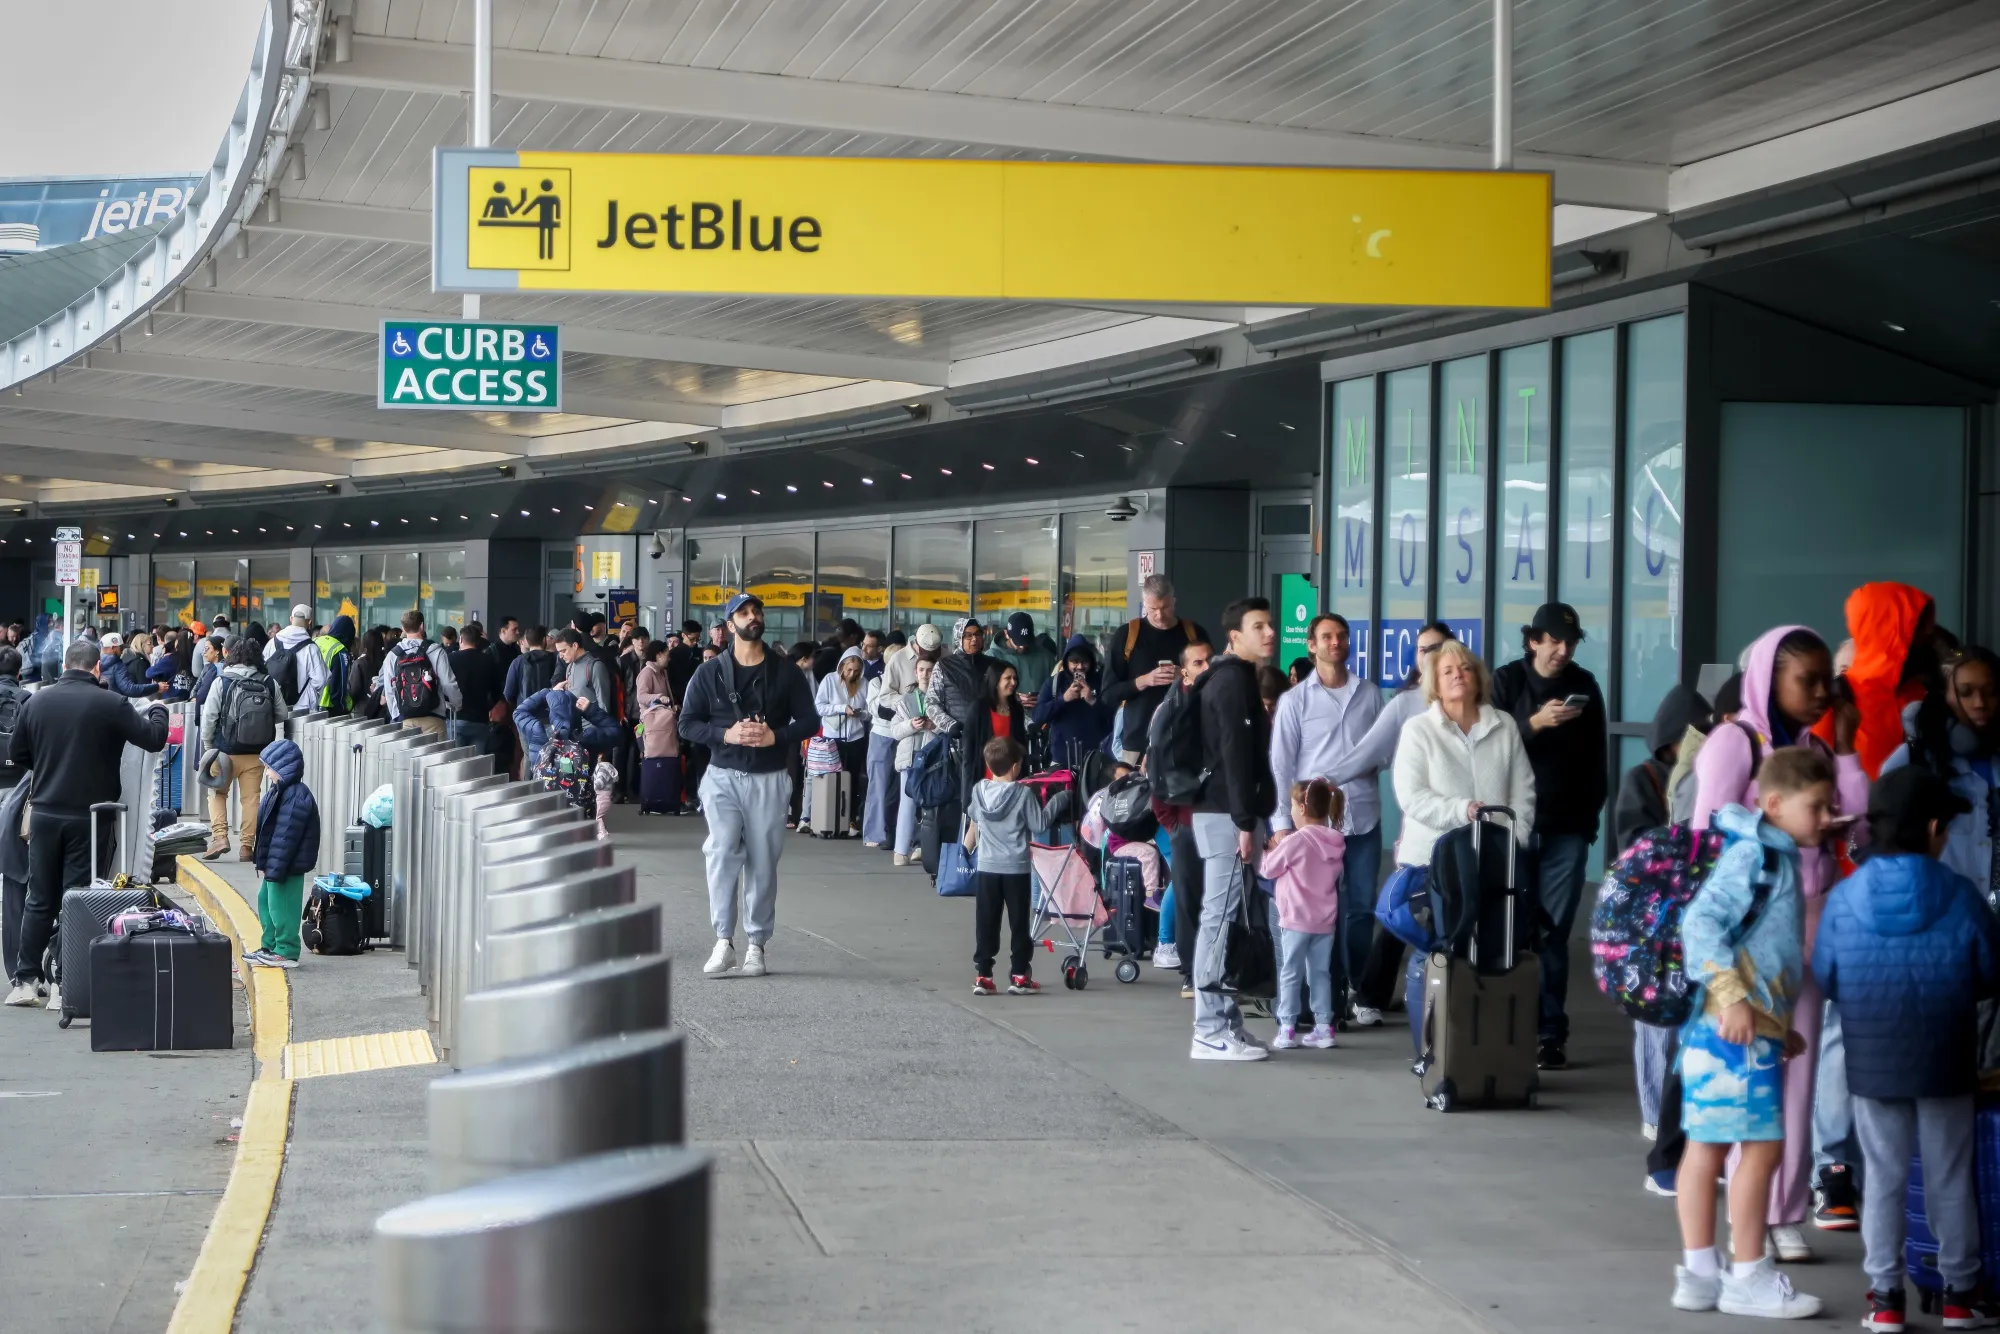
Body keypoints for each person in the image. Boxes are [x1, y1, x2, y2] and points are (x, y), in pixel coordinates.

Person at [1690, 624, 1868, 1265]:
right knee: (1751, 1077)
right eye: (1807, 681)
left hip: (1815, 918)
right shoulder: (1734, 742)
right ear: (1769, 679)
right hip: (1752, 934)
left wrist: (1844, 748)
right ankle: (1749, 1216)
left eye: (1828, 679)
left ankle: (1782, 1211)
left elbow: (1857, 819)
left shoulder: (1817, 743)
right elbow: (1704, 841)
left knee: (1798, 1075)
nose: (1823, 692)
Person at [1811, 765, 2000, 1332]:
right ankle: (1961, 1296)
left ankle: (1885, 1300)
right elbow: (1990, 973)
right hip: (1945, 1054)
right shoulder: (1962, 895)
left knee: (1885, 1178)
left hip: (1874, 1058)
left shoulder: (1845, 897)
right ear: (1935, 827)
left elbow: (1828, 977)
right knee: (1949, 1175)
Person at [1670, 747, 1837, 1321]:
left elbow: (1754, 944)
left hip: (1721, 1031)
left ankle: (1698, 1272)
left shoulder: (1768, 855)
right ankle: (1748, 1274)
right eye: (1816, 807)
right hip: (1733, 1030)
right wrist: (1737, 1000)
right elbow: (1701, 923)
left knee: (1705, 1148)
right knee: (1761, 1149)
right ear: (1773, 804)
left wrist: (1772, 1024)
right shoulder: (1760, 857)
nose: (1826, 817)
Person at [6, 641, 168, 1002]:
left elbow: (17, 754)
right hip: (89, 816)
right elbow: (154, 740)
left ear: (66, 664)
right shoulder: (112, 704)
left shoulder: (37, 702)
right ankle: (65, 983)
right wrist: (159, 709)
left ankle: (25, 981)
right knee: (75, 896)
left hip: (45, 813)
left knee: (39, 896)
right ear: (97, 669)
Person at [1489, 602, 1608, 1071]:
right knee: (1510, 929)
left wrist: (1588, 823)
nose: (1562, 650)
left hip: (1565, 830)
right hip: (1512, 827)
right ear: (1533, 640)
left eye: (1570, 643)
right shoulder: (1506, 682)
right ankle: (1505, 1028)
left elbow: (1597, 759)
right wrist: (1533, 724)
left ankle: (1549, 1034)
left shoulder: (1584, 686)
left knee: (1553, 936)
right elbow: (1489, 749)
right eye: (1554, 641)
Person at [677, 593, 819, 980]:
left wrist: (778, 737)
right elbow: (686, 724)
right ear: (728, 624)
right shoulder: (709, 673)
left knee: (762, 862)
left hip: (770, 778)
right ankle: (723, 940)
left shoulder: (786, 671)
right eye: (743, 612)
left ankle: (756, 944)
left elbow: (809, 721)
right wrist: (727, 734)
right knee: (721, 851)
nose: (753, 617)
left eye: (756, 611)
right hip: (722, 776)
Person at [1324, 620, 1457, 1017]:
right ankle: (1369, 995)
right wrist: (1324, 781)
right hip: (1420, 830)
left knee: (1444, 915)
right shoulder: (1405, 704)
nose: (1430, 656)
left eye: (1437, 647)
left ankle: (1440, 1001)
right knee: (1405, 912)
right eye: (1422, 650)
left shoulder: (1471, 701)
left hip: (1463, 828)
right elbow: (1369, 753)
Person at [1611, 685, 1713, 1186]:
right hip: (1651, 926)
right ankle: (1656, 1115)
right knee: (1656, 1027)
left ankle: (1672, 1119)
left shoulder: (1706, 781)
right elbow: (1634, 847)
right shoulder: (1644, 780)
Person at [1270, 613, 1385, 1028]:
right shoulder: (1295, 700)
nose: (1336, 642)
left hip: (1362, 817)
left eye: (1341, 636)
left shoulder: (1369, 694)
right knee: (1315, 910)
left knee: (1360, 908)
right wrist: (1282, 825)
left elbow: (1384, 750)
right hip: (1313, 827)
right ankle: (1322, 996)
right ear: (1312, 645)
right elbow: (1281, 765)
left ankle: (1356, 989)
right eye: (1326, 637)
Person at [1188, 596, 1278, 1062]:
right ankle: (1208, 1028)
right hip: (1225, 815)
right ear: (1235, 636)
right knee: (1219, 919)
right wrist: (1246, 822)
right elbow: (1236, 760)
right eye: (1258, 626)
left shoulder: (1236, 679)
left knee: (1226, 917)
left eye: (1270, 625)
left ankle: (1227, 1023)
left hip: (1228, 813)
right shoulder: (1230, 684)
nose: (1269, 633)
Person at [1817, 582, 1939, 779]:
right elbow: (1811, 778)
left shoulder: (1926, 694)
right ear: (1887, 631)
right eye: (1916, 626)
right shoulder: (1834, 699)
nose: (1929, 635)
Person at [1260, 778, 1347, 1051]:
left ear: (1301, 807)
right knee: (1320, 973)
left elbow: (1268, 870)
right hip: (1325, 921)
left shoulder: (1295, 842)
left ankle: (1287, 1028)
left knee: (1291, 973)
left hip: (1296, 919)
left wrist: (1270, 846)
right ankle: (1324, 1028)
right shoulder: (1337, 842)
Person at [967, 734, 1051, 996]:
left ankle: (983, 974)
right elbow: (1040, 825)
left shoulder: (979, 790)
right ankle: (1019, 975)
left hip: (987, 867)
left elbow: (974, 815)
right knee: (1018, 923)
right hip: (1015, 868)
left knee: (986, 922)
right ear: (1016, 767)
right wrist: (1056, 803)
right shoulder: (1023, 794)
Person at [1101, 576, 1210, 763]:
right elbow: (1108, 694)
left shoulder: (1193, 633)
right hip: (1138, 743)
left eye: (1165, 607)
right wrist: (1144, 681)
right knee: (1135, 792)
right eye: (1152, 609)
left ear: (1174, 601)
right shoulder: (1127, 635)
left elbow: (1212, 682)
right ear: (1144, 604)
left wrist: (1185, 676)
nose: (1159, 615)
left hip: (1187, 739)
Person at [200, 636, 286, 861]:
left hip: (224, 752)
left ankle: (220, 837)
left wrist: (209, 747)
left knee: (217, 793)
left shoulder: (222, 681)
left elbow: (209, 717)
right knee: (251, 799)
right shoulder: (268, 682)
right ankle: (247, 847)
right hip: (257, 753)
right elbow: (282, 714)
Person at [240, 737, 317, 970]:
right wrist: (264, 863)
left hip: (286, 866)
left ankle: (286, 950)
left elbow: (286, 838)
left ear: (284, 768)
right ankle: (270, 946)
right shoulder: (280, 791)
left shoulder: (295, 795)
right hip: (277, 864)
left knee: (282, 907)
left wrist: (272, 867)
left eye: (269, 769)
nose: (266, 774)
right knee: (267, 901)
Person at [1164, 638, 1215, 991]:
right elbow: (1157, 771)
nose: (1207, 668)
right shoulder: (1171, 711)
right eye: (1198, 663)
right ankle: (1190, 972)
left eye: (1210, 660)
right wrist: (1172, 823)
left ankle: (1217, 970)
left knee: (1219, 901)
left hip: (1222, 819)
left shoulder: (1222, 703)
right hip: (1186, 822)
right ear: (1184, 671)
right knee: (1188, 898)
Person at [889, 652, 945, 867]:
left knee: (930, 803)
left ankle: (924, 846)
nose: (925, 674)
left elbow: (948, 726)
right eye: (921, 670)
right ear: (915, 672)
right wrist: (912, 725)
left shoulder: (940, 699)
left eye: (930, 670)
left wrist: (935, 726)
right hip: (910, 757)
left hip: (932, 756)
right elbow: (894, 730)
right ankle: (901, 850)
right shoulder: (906, 699)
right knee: (908, 803)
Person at [375, 610, 461, 738]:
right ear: (422, 626)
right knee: (436, 757)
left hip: (405, 719)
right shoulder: (436, 650)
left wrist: (397, 716)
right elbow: (448, 683)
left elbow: (390, 689)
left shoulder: (393, 655)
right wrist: (457, 704)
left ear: (403, 628)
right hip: (434, 717)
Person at [816, 647, 871, 837]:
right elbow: (819, 706)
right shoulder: (830, 680)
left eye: (856, 671)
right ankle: (830, 820)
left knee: (853, 779)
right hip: (832, 736)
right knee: (832, 781)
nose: (852, 674)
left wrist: (859, 713)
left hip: (856, 737)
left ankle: (851, 819)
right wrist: (841, 708)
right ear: (842, 666)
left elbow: (868, 711)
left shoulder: (864, 683)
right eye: (849, 670)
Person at [1031, 635, 1110, 763]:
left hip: (1095, 758)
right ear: (1066, 662)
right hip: (1061, 758)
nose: (1080, 667)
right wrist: (1063, 699)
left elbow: (1112, 717)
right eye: (1075, 662)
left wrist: (1092, 701)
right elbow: (1038, 716)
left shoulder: (1101, 681)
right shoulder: (1055, 682)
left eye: (1084, 662)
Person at [958, 662, 1025, 808]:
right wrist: (967, 792)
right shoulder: (979, 708)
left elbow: (1021, 745)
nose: (1013, 682)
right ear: (995, 681)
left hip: (1011, 777)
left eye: (1015, 678)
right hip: (984, 774)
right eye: (1008, 678)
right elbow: (969, 751)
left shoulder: (1017, 709)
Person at [929, 617, 998, 738]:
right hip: (959, 739)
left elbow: (1008, 701)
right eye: (968, 635)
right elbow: (931, 702)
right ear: (959, 638)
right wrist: (950, 725)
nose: (974, 639)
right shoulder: (944, 666)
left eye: (978, 634)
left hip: (991, 737)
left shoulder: (994, 665)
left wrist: (1028, 723)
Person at [447, 622, 503, 756]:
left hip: (456, 718)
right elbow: (497, 690)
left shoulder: (451, 659)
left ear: (460, 639)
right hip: (480, 719)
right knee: (478, 765)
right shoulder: (488, 661)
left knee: (456, 764)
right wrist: (488, 707)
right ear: (478, 641)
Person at [264, 605, 325, 716]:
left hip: (275, 706)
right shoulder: (312, 648)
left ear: (291, 619)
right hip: (304, 709)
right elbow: (320, 680)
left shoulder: (272, 643)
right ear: (309, 622)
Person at [991, 613, 1056, 714]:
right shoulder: (992, 657)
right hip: (1006, 718)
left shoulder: (1046, 657)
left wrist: (1043, 698)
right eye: (1018, 642)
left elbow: (1056, 688)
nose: (1022, 647)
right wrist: (1013, 698)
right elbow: (986, 694)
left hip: (1040, 719)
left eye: (1026, 642)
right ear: (1006, 633)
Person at [556, 628, 614, 716]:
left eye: (563, 651)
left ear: (575, 646)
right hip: (575, 725)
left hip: (593, 726)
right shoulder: (569, 667)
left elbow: (604, 705)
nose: (561, 656)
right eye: (559, 652)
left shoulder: (596, 666)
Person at [307, 615, 355, 714]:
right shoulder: (339, 650)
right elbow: (339, 686)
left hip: (308, 704)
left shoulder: (315, 641)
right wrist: (342, 709)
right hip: (328, 708)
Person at [98, 632, 157, 699]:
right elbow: (129, 689)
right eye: (121, 648)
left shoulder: (94, 663)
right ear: (113, 648)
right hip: (114, 705)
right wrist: (156, 687)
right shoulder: (117, 665)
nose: (122, 651)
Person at [348, 626, 388, 722]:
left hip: (362, 711)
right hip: (383, 710)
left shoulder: (359, 663)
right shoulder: (387, 661)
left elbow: (354, 690)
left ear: (364, 644)